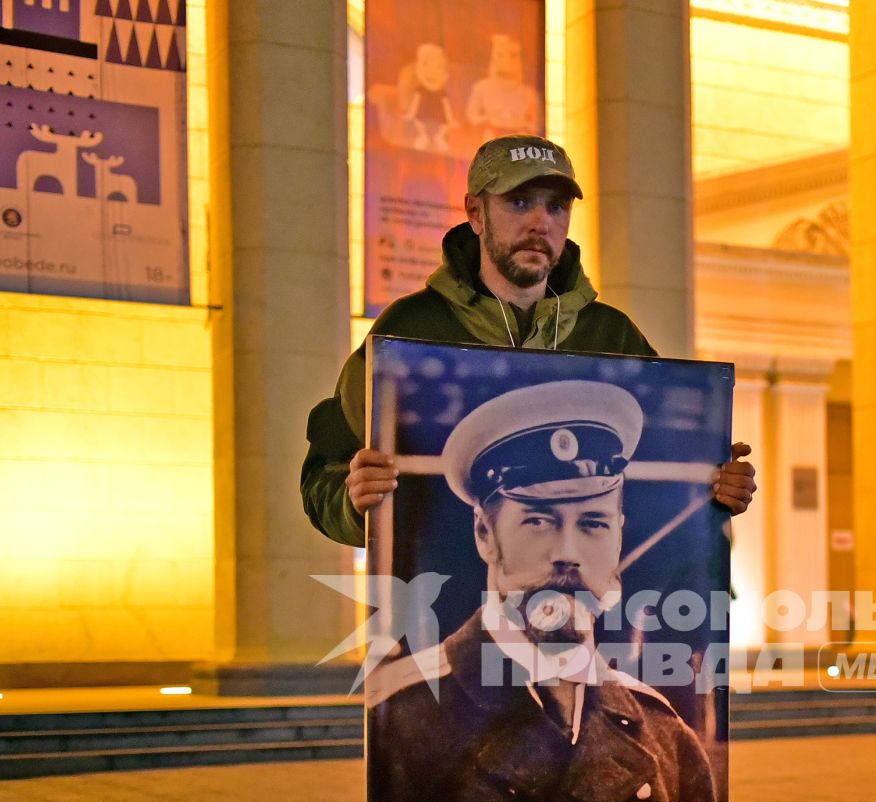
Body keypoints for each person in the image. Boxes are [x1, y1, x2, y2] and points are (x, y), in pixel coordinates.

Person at [300, 134, 755, 547]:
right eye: (519, 202)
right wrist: (353, 501)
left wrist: (715, 485)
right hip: (434, 619)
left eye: (557, 206)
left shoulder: (611, 335)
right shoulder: (410, 330)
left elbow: (662, 483)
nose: (541, 222)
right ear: (475, 213)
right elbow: (326, 475)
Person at [366, 379, 715, 802]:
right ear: (484, 534)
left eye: (593, 524)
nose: (567, 555)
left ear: (619, 536)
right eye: (538, 522)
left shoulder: (663, 731)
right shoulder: (402, 716)